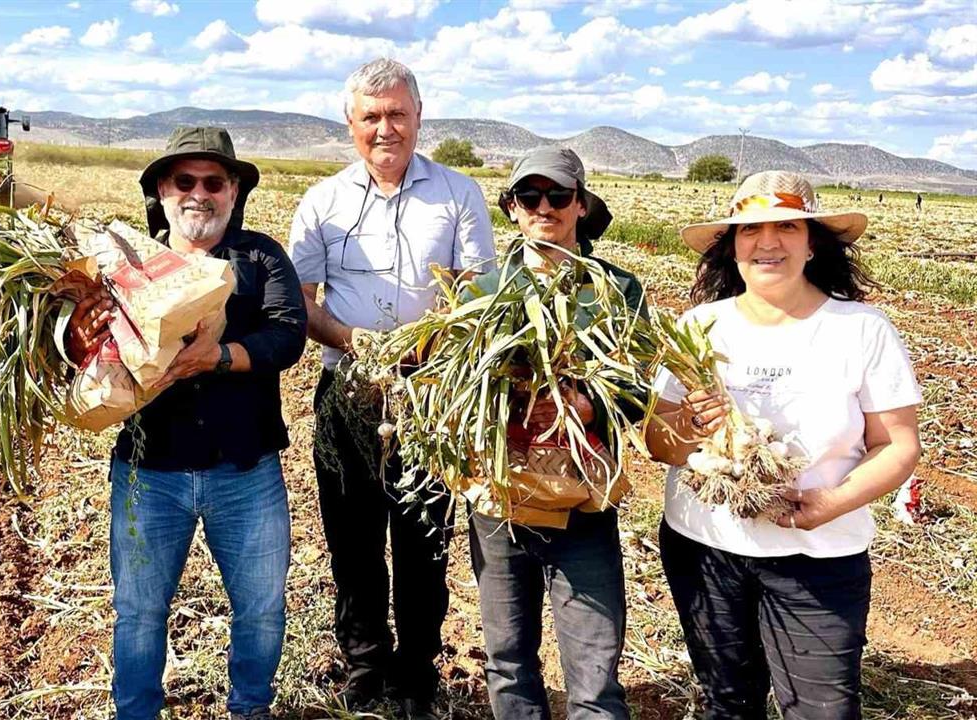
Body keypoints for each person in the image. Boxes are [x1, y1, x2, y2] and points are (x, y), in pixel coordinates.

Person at [645, 171, 922, 718]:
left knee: (821, 708)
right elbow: (656, 438)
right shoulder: (700, 325)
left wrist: (832, 503)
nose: (767, 242)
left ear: (812, 241)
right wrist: (694, 431)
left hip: (818, 557)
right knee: (726, 703)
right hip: (706, 549)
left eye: (787, 227)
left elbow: (897, 445)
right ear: (733, 245)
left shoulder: (861, 329)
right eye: (750, 231)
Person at [67, 126, 307, 720]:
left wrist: (220, 357)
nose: (199, 193)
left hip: (246, 471)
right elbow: (77, 353)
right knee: (140, 612)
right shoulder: (125, 266)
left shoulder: (259, 257)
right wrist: (78, 333)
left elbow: (287, 334)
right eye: (185, 181)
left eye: (214, 181)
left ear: (232, 192)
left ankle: (250, 709)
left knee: (260, 609)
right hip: (149, 473)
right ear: (162, 192)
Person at [287, 58, 495, 720]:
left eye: (397, 114)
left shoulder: (459, 195)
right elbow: (302, 302)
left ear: (419, 118)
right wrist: (354, 341)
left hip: (433, 396)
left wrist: (426, 345)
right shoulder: (323, 201)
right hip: (347, 391)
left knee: (423, 539)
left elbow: (476, 299)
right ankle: (366, 663)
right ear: (351, 124)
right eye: (371, 116)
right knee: (351, 535)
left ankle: (415, 669)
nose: (386, 128)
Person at [465, 147, 644, 720]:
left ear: (582, 205)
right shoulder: (481, 292)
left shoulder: (617, 290)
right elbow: (453, 387)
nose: (545, 207)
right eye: (530, 197)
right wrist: (505, 401)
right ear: (512, 209)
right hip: (503, 499)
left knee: (595, 669)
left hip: (585, 499)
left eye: (558, 196)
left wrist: (584, 407)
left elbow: (644, 386)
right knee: (509, 657)